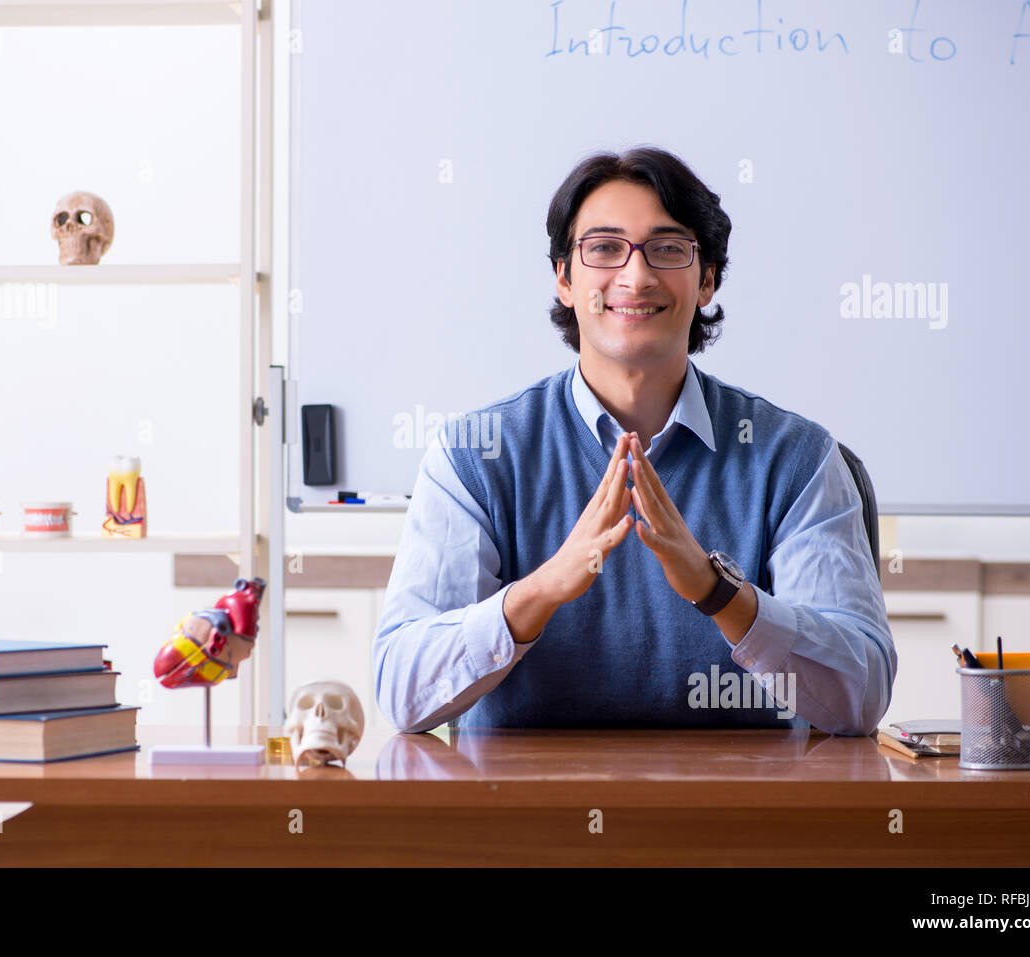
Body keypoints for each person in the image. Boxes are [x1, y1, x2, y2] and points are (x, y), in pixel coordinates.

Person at [373, 146, 895, 736]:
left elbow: (861, 696)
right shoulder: (476, 453)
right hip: (524, 819)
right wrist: (542, 590)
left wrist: (718, 592)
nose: (637, 275)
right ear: (565, 280)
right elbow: (403, 691)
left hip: (742, 815)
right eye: (603, 248)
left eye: (669, 249)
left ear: (707, 281)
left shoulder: (794, 458)